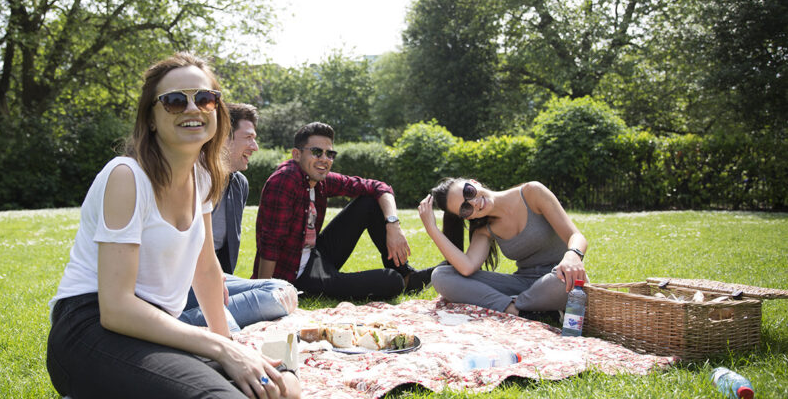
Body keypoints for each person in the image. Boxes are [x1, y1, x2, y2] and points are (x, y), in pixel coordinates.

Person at [0, 53, 301, 399]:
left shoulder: (204, 178)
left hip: (153, 335)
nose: (191, 109)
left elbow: (207, 269)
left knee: (282, 395)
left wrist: (229, 344)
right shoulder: (127, 177)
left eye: (205, 98)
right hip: (88, 335)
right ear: (150, 117)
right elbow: (117, 309)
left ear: (217, 111)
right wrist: (219, 351)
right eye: (174, 101)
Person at [252, 121, 432, 300]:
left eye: (330, 154)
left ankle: (407, 275)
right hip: (296, 277)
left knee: (369, 202)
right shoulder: (285, 180)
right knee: (391, 282)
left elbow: (379, 187)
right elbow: (270, 245)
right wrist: (265, 293)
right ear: (297, 154)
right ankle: (403, 280)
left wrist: (393, 224)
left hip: (314, 256)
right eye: (316, 152)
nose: (324, 159)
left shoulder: (320, 180)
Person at [179, 103, 297, 331]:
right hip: (180, 281)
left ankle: (199, 318)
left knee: (281, 291)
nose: (255, 146)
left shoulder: (238, 184)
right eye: (249, 138)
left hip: (213, 281)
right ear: (223, 137)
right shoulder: (190, 177)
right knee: (274, 296)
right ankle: (177, 323)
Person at [417, 178, 588, 318]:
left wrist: (572, 255)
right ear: (466, 217)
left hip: (560, 277)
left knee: (566, 282)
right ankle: (515, 310)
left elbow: (576, 236)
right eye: (465, 208)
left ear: (474, 182)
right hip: (524, 284)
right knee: (441, 275)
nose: (474, 203)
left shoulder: (532, 192)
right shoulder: (484, 229)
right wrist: (432, 229)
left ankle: (523, 306)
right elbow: (467, 267)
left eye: (468, 192)